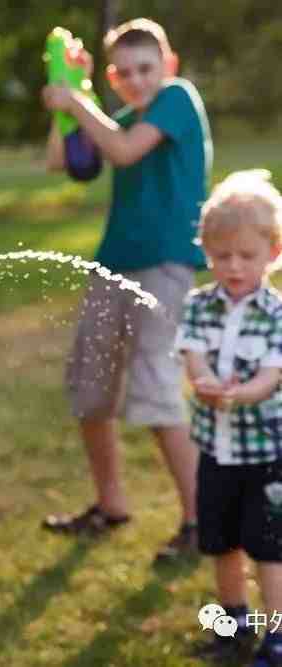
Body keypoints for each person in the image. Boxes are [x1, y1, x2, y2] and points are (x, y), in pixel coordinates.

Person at [40, 18, 213, 561]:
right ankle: (110, 504)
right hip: (113, 266)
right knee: (91, 389)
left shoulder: (178, 101)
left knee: (157, 392)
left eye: (148, 69)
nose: (139, 80)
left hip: (165, 268)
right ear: (114, 78)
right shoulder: (114, 113)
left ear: (169, 66)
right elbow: (59, 161)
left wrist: (78, 100)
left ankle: (200, 523)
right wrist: (69, 99)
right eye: (127, 73)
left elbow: (123, 151)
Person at [176, 170, 282, 667]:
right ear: (207, 252)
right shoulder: (199, 305)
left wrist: (240, 394)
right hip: (215, 450)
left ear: (273, 253)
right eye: (221, 257)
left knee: (268, 550)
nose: (233, 266)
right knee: (220, 540)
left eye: (246, 256)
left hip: (265, 455)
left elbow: (270, 377)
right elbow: (193, 357)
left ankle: (276, 634)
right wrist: (203, 382)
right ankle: (233, 621)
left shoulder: (276, 314)